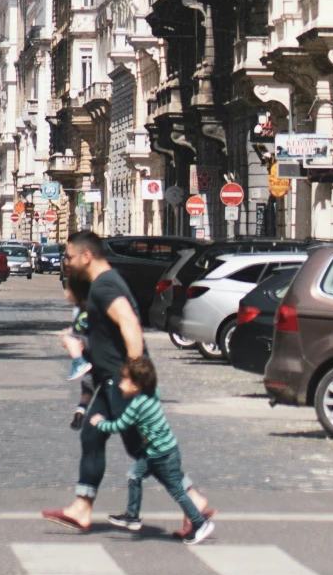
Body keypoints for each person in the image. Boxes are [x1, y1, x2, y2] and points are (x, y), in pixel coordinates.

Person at [42, 230, 144, 533]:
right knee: (91, 435)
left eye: (70, 257)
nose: (68, 263)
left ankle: (193, 503)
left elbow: (130, 324)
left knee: (146, 450)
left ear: (87, 256)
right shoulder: (102, 284)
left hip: (123, 379)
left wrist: (133, 374)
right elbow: (108, 336)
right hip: (112, 378)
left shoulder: (104, 285)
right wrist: (82, 347)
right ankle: (82, 508)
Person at [88, 352, 214, 541]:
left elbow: (118, 426)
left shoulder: (137, 405)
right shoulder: (152, 393)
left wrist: (99, 422)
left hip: (163, 455)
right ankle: (132, 516)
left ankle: (200, 523)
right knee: (134, 475)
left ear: (136, 385)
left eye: (124, 380)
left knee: (177, 491)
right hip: (157, 451)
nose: (120, 383)